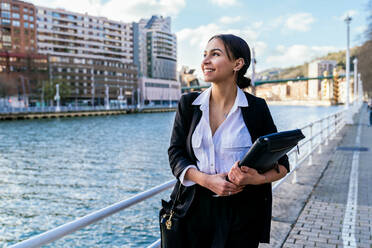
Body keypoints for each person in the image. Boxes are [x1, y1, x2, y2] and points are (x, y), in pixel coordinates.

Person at [167, 34, 289, 248]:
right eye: (204, 54)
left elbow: (283, 165)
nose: (205, 61)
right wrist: (205, 180)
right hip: (192, 209)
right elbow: (176, 153)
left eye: (215, 54)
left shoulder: (256, 108)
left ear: (237, 64)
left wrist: (254, 179)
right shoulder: (188, 104)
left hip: (242, 213)